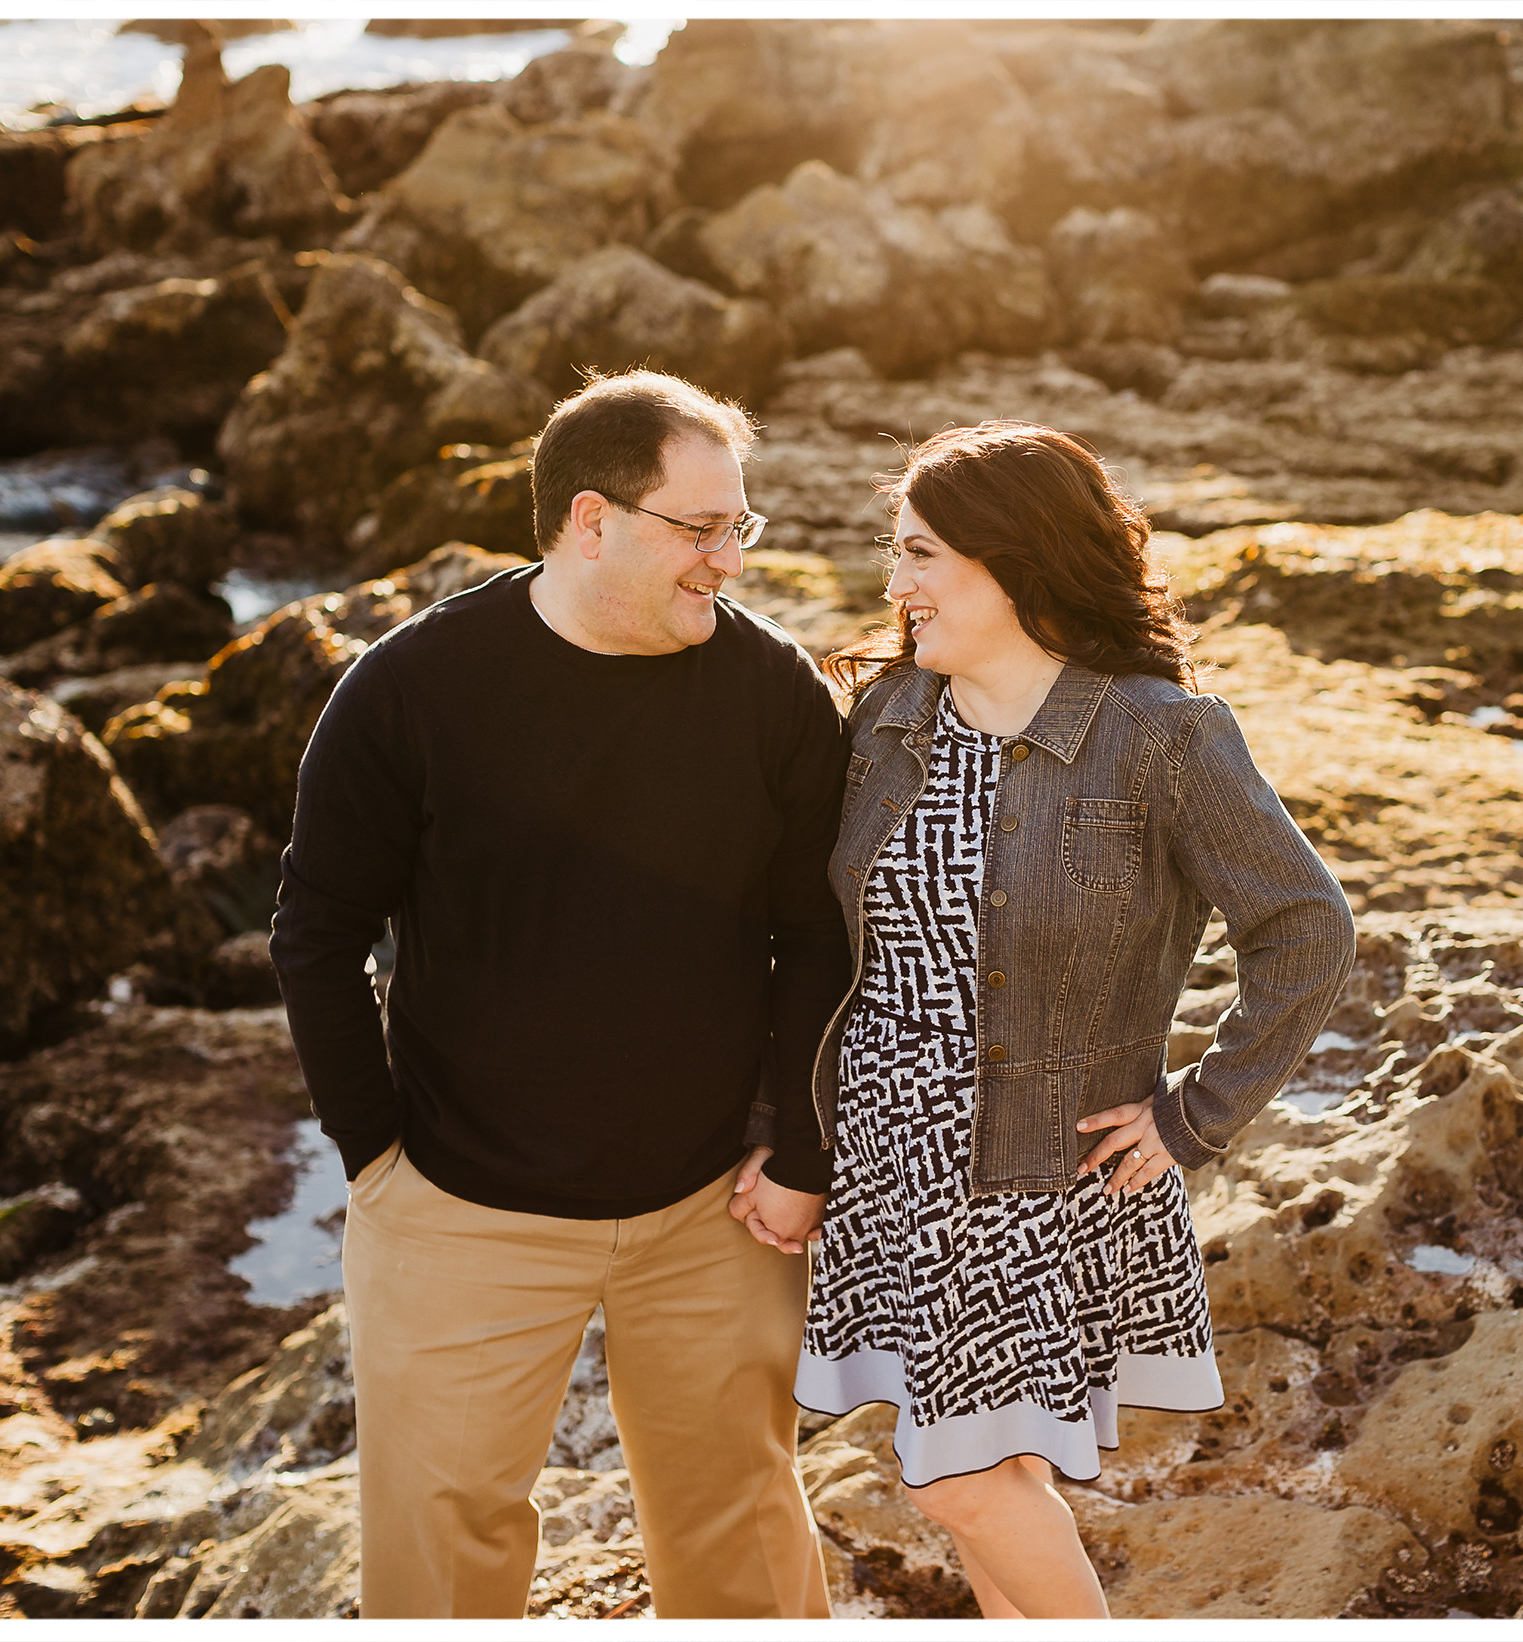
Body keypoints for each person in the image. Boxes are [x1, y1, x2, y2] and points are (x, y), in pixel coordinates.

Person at [269, 370, 844, 1619]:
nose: (729, 560)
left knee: (740, 1537)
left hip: (713, 1211)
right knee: (441, 1556)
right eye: (702, 529)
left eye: (740, 525)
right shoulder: (408, 692)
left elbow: (817, 937)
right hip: (461, 1211)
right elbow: (317, 934)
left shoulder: (774, 694)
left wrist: (796, 1147)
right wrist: (375, 1159)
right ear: (593, 519)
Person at [796, 421, 1355, 1618]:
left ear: (1018, 561)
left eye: (921, 553)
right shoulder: (885, 721)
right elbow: (815, 948)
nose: (895, 586)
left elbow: (1306, 930)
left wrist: (1196, 1118)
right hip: (888, 1162)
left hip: (1040, 1180)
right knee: (990, 1476)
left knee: (961, 1485)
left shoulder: (1158, 735)